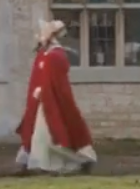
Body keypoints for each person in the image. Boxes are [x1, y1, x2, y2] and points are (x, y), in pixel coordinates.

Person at [25, 19, 96, 174]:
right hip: (45, 100)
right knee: (42, 136)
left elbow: (56, 82)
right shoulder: (47, 54)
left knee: (52, 135)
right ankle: (45, 165)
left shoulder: (56, 55)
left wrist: (43, 92)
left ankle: (76, 162)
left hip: (52, 100)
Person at [15, 28, 47, 172]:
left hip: (39, 99)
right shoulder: (41, 56)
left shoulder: (45, 56)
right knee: (32, 128)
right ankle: (28, 158)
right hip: (35, 99)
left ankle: (32, 159)